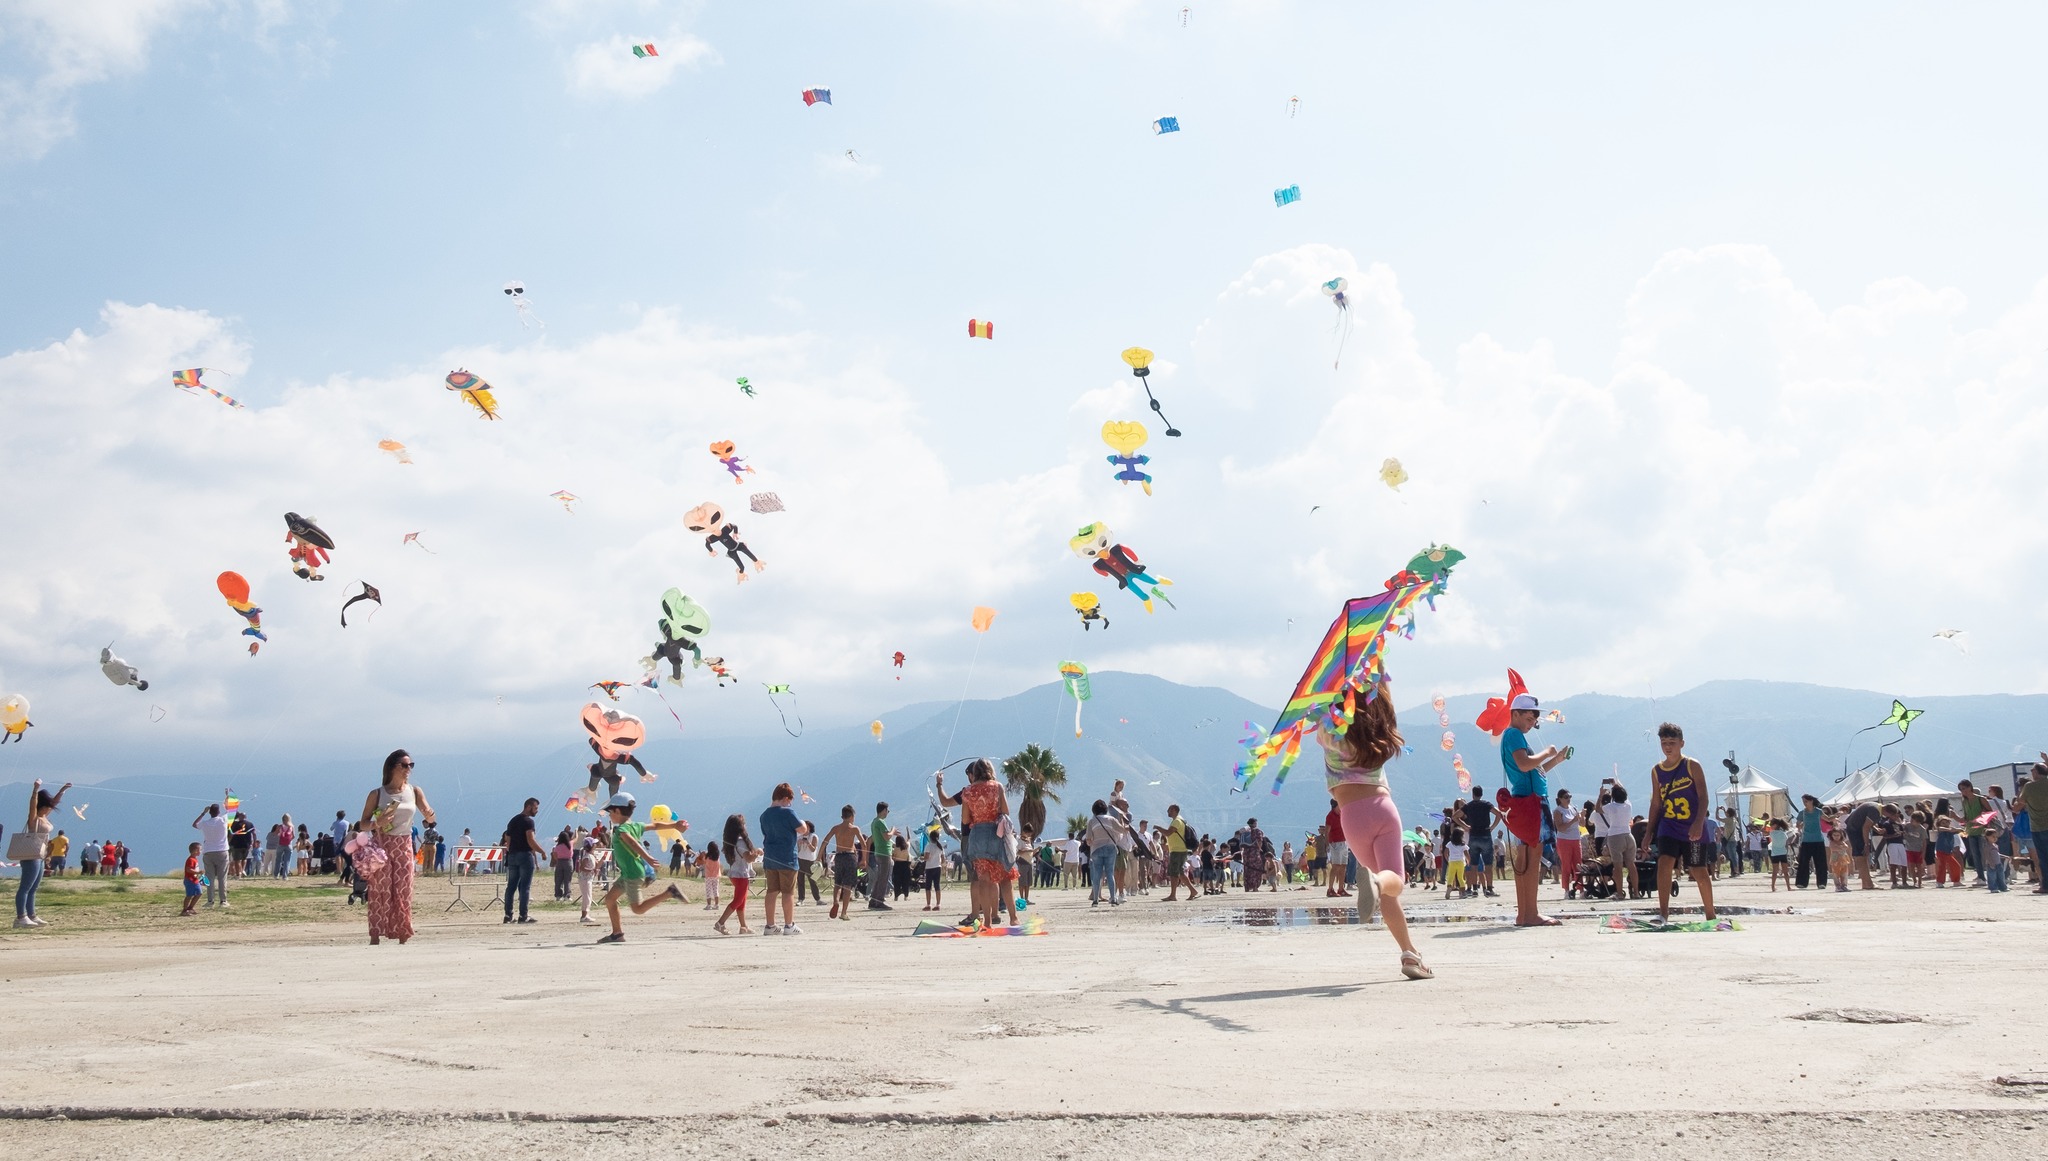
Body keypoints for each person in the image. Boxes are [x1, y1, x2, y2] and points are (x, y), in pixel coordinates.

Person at [1499, 692, 1571, 926]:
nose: (1532, 724)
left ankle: (1525, 913)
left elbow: (1535, 770)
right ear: (1516, 714)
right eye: (1529, 719)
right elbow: (1524, 763)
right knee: (1532, 856)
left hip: (1527, 797)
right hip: (1531, 800)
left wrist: (1557, 760)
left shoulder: (1514, 735)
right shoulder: (1514, 734)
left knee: (1527, 856)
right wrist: (1546, 753)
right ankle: (1531, 913)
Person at [356, 750, 436, 946]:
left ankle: (402, 933)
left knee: (403, 889)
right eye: (404, 765)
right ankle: (376, 934)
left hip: (404, 845)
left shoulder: (415, 791)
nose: (409, 769)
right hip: (382, 845)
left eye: (411, 765)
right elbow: (363, 824)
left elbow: (431, 817)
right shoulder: (377, 794)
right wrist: (378, 822)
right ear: (393, 767)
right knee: (379, 890)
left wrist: (429, 814)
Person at [1644, 723, 1716, 924]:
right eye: (1664, 743)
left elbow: (1703, 797)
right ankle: (1663, 913)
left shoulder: (1692, 765)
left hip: (1692, 827)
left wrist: (1698, 822)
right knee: (1664, 862)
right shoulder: (1657, 771)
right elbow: (1656, 803)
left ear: (1681, 743)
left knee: (1698, 869)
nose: (1668, 747)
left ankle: (1711, 914)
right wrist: (1649, 832)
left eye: (1672, 743)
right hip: (1669, 825)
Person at [938, 759, 1020, 928]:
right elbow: (1005, 810)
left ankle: (987, 922)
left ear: (974, 773)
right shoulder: (997, 787)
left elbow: (966, 818)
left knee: (984, 879)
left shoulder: (968, 791)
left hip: (977, 835)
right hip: (996, 833)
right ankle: (1013, 918)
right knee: (1005, 877)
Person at [596, 793, 686, 944]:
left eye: (610, 812)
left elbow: (632, 843)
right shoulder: (636, 825)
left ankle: (670, 893)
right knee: (610, 899)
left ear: (617, 811)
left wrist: (648, 858)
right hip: (627, 873)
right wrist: (674, 825)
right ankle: (617, 934)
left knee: (637, 909)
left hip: (632, 873)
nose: (609, 815)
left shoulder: (621, 830)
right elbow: (656, 825)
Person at [13, 780, 69, 927]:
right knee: (25, 887)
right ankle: (20, 917)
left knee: (34, 887)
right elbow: (32, 804)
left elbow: (54, 803)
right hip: (31, 855)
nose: (48, 809)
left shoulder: (44, 815)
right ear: (41, 806)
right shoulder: (34, 818)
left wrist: (63, 790)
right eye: (46, 806)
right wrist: (35, 789)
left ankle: (31, 915)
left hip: (40, 855)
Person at [758, 783, 803, 936]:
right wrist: (803, 823)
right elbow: (802, 829)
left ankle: (770, 926)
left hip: (770, 857)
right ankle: (789, 925)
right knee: (788, 892)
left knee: (772, 891)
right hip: (787, 858)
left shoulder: (764, 815)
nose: (790, 803)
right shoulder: (788, 812)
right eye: (789, 800)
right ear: (785, 798)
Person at [501, 797, 546, 924]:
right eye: (535, 808)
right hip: (525, 856)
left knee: (511, 887)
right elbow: (530, 840)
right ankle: (523, 915)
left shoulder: (513, 820)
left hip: (512, 855)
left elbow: (507, 840)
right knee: (525, 887)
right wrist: (541, 851)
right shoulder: (528, 822)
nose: (537, 811)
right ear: (529, 807)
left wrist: (511, 852)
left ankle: (508, 915)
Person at [715, 813, 757, 935]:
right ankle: (720, 923)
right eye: (744, 824)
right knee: (738, 900)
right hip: (741, 875)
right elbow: (748, 858)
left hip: (735, 874)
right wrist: (757, 852)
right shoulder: (741, 842)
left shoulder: (731, 842)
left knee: (741, 901)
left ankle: (743, 926)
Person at [1083, 800, 1126, 906]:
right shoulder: (1111, 819)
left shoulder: (1091, 821)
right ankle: (1113, 898)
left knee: (1097, 874)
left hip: (1096, 849)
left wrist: (1092, 843)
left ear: (1094, 810)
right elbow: (1123, 830)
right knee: (1110, 873)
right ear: (1105, 809)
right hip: (1110, 848)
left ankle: (1095, 900)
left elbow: (1088, 840)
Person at [825, 806, 861, 921]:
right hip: (850, 857)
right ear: (851, 816)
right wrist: (864, 859)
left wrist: (818, 857)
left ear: (842, 816)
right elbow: (864, 844)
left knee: (837, 883)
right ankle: (844, 912)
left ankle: (836, 901)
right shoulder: (854, 829)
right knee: (847, 886)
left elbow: (825, 841)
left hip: (839, 856)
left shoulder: (836, 828)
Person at [1463, 787, 1499, 898]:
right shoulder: (1486, 804)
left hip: (1473, 836)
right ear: (1481, 794)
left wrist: (1466, 826)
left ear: (1473, 794)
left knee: (1473, 864)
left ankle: (1474, 889)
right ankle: (1489, 888)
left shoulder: (1468, 806)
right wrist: (1492, 827)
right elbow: (1499, 814)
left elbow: (1455, 816)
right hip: (1485, 835)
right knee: (1488, 864)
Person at [2018, 763, 2048, 894]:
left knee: (2043, 857)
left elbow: (2021, 801)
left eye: (2032, 770)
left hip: (2037, 826)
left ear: (2036, 772)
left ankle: (2045, 885)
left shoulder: (2029, 786)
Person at [1841, 798, 1882, 891]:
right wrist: (1866, 844)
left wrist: (1876, 829)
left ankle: (1866, 882)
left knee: (1862, 856)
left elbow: (1866, 821)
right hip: (1856, 830)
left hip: (1853, 828)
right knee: (1861, 856)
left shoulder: (1874, 806)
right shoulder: (1875, 810)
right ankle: (1867, 883)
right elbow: (1865, 827)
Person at [1162, 804, 1198, 902]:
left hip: (1178, 850)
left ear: (1173, 810)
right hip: (1179, 850)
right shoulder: (1179, 820)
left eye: (1169, 810)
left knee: (1174, 873)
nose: (1167, 811)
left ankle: (1173, 895)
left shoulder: (1177, 821)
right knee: (1181, 873)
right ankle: (1193, 890)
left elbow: (1168, 833)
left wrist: (1158, 828)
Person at [1792, 794, 1827, 889]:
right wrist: (1802, 825)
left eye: (1806, 801)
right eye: (1803, 802)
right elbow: (1798, 825)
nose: (1804, 803)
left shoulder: (1818, 812)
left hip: (1818, 839)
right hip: (1806, 840)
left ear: (1811, 801)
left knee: (1820, 862)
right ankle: (1802, 883)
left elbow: (1827, 818)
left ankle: (1821, 883)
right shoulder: (1802, 813)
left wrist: (1836, 815)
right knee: (1803, 862)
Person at [1552, 789, 1582, 899]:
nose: (1568, 799)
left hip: (1576, 839)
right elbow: (1560, 828)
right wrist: (1573, 820)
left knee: (1578, 865)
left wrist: (1582, 816)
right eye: (1566, 797)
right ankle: (1566, 889)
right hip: (1564, 840)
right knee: (1566, 865)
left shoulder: (1573, 809)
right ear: (1560, 799)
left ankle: (1581, 889)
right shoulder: (1557, 811)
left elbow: (1582, 824)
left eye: (1569, 796)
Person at [1321, 798, 1349, 898]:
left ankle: (1341, 889)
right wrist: (1327, 844)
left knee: (1343, 866)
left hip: (1344, 842)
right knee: (1336, 866)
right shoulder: (1330, 816)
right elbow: (1327, 831)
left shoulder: (1342, 813)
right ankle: (1330, 889)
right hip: (1335, 843)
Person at [574, 826, 600, 923]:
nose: (595, 845)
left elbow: (596, 866)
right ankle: (584, 915)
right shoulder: (587, 856)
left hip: (588, 879)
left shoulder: (592, 856)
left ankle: (586, 914)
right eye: (594, 844)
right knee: (587, 897)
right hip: (585, 879)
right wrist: (591, 870)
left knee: (589, 896)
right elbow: (582, 868)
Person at [796, 821, 823, 906]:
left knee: (813, 880)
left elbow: (813, 849)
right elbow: (798, 850)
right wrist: (799, 844)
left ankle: (818, 899)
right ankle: (801, 899)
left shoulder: (813, 836)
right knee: (800, 880)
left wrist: (808, 843)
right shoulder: (799, 837)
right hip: (800, 859)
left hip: (810, 861)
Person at [921, 830, 946, 910]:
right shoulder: (940, 846)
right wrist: (943, 866)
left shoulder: (928, 846)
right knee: (937, 886)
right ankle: (938, 904)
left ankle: (928, 904)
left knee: (928, 887)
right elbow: (943, 859)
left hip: (929, 867)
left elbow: (926, 857)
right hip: (937, 867)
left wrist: (921, 858)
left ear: (930, 837)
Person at [697, 841, 723, 911]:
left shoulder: (706, 857)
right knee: (715, 890)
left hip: (708, 875)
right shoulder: (717, 857)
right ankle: (717, 904)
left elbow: (699, 862)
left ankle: (709, 905)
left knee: (708, 890)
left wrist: (701, 855)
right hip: (716, 875)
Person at [1767, 817, 1792, 890]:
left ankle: (1773, 886)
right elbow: (1786, 843)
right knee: (1785, 871)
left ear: (1775, 825)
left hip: (1775, 854)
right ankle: (1788, 887)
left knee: (1775, 871)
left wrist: (1766, 823)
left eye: (1772, 824)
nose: (1771, 825)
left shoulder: (1772, 833)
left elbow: (1764, 830)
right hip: (1783, 853)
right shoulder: (1784, 833)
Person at [179, 842, 203, 916]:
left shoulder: (195, 859)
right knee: (189, 895)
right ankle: (184, 910)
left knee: (199, 893)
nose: (200, 851)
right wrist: (198, 872)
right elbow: (188, 869)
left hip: (195, 880)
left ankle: (190, 908)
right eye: (200, 850)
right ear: (195, 850)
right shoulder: (191, 860)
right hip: (190, 880)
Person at [552, 829, 574, 900]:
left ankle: (558, 895)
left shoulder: (557, 847)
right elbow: (576, 839)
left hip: (560, 862)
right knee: (567, 879)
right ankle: (567, 895)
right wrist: (576, 831)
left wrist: (558, 860)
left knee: (558, 879)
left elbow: (555, 856)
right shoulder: (570, 845)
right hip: (568, 862)